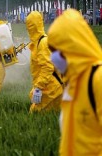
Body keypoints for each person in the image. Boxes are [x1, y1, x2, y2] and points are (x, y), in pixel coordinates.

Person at [47, 8, 102, 155]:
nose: (53, 57)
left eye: (56, 50)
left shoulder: (98, 78)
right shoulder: (73, 82)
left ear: (72, 47)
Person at [25, 11, 63, 112]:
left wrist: (38, 88)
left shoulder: (43, 43)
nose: (28, 28)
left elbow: (47, 67)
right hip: (48, 87)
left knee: (35, 115)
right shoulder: (38, 42)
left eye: (30, 25)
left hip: (51, 90)